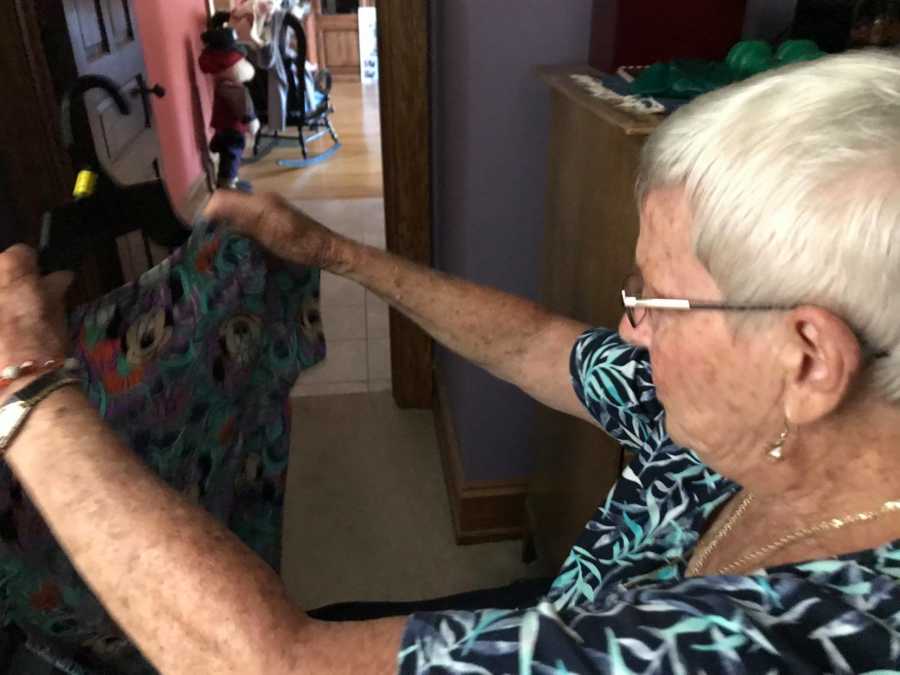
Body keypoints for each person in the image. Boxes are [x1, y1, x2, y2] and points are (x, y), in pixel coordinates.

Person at [3, 49, 900, 673]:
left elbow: (271, 663)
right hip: (555, 607)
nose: (629, 328)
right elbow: (541, 347)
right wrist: (332, 252)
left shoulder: (794, 641)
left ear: (808, 359)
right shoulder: (747, 421)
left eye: (652, 302)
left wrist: (28, 390)